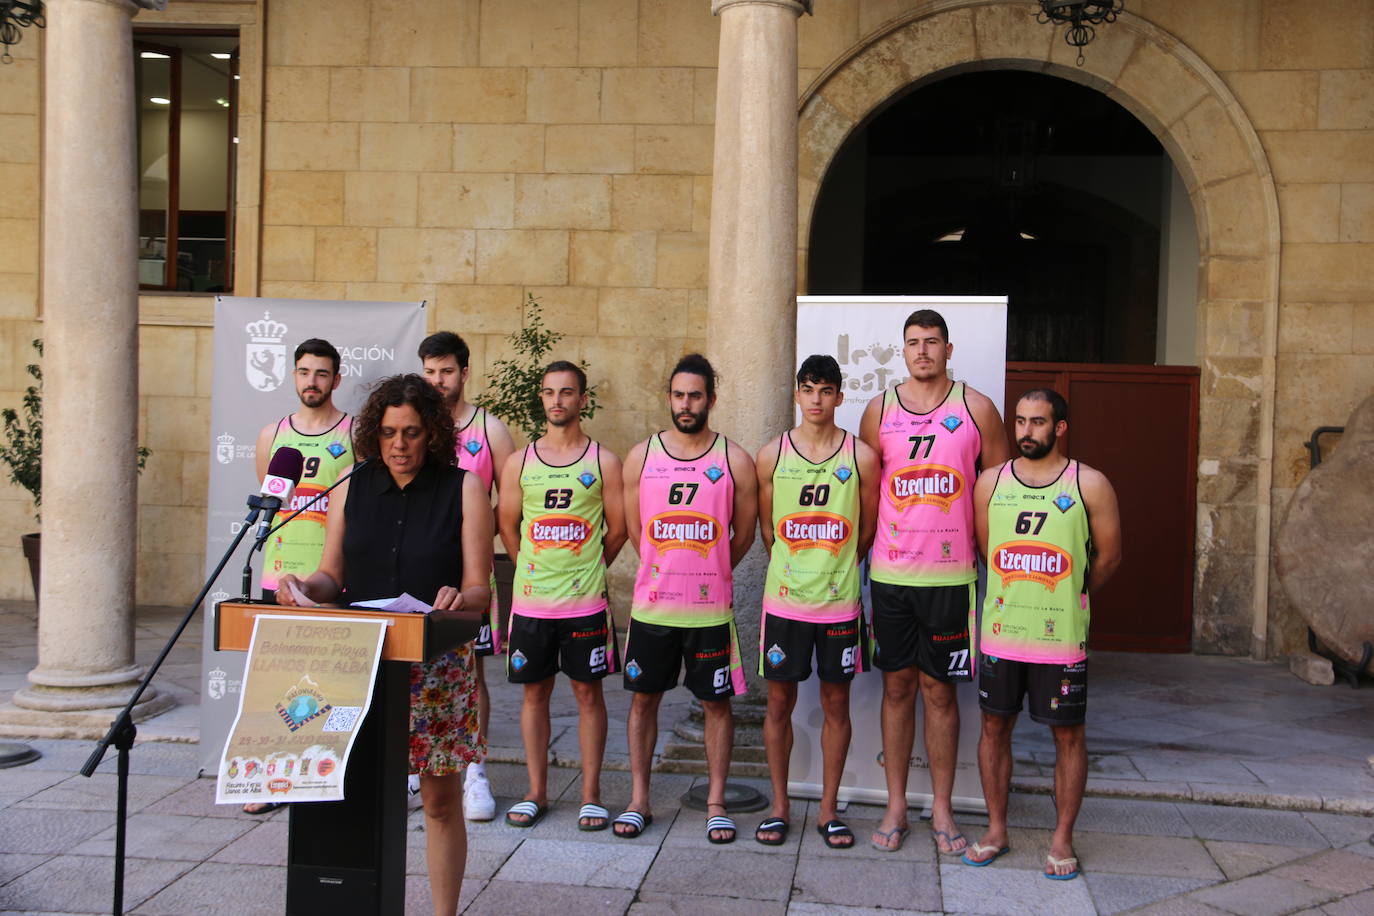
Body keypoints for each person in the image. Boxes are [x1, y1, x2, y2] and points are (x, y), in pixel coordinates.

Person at [276, 374, 493, 916]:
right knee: (358, 794)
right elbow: (332, 575)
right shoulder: (351, 483)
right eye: (390, 432)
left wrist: (455, 596)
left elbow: (479, 590)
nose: (400, 444)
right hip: (359, 659)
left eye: (413, 433)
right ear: (374, 433)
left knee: (441, 800)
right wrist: (305, 587)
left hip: (436, 661)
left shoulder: (462, 487)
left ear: (432, 434)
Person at [858, 309, 1010, 855]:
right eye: (913, 343)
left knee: (938, 691)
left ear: (949, 348)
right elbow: (869, 492)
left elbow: (997, 491)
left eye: (932, 342)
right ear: (903, 351)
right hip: (891, 572)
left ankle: (941, 809)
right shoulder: (879, 411)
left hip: (951, 577)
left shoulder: (977, 409)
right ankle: (896, 804)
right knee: (897, 687)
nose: (922, 351)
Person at [964, 388, 1121, 879]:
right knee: (994, 729)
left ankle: (1061, 839)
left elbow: (1109, 558)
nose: (1026, 431)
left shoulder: (1090, 483)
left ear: (1060, 427)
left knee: (1068, 736)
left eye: (1038, 422)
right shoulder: (990, 483)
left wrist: (1070, 596)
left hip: (1060, 637)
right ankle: (995, 829)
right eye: (1020, 421)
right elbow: (989, 553)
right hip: (1003, 633)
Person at [616, 354, 758, 844]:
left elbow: (743, 535)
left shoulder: (734, 460)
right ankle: (639, 799)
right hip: (654, 607)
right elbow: (637, 532)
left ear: (711, 400)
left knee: (717, 704)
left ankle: (716, 802)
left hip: (709, 611)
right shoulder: (641, 457)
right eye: (678, 395)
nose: (686, 404)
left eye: (695, 395)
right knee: (643, 701)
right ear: (669, 398)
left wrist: (710, 569)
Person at [753, 355, 879, 849]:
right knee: (779, 701)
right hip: (785, 603)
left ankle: (829, 810)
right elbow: (769, 530)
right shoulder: (772, 455)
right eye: (808, 389)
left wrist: (835, 567)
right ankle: (779, 806)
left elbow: (865, 532)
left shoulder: (861, 457)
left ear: (839, 397)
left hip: (839, 604)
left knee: (835, 703)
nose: (817, 399)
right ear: (798, 395)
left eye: (826, 390)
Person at [496, 360, 626, 831]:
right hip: (532, 603)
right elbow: (508, 526)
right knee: (535, 695)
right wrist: (530, 564)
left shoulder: (603, 462)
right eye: (550, 393)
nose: (557, 401)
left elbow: (620, 528)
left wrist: (589, 565)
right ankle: (536, 791)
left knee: (588, 695)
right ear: (541, 399)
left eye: (567, 393)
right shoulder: (520, 463)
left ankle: (591, 795)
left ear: (582, 400)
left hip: (584, 603)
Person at [245, 337, 353, 815]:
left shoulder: (354, 434)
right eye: (305, 372)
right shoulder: (272, 434)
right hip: (278, 575)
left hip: (329, 578)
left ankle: (324, 771)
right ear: (294, 375)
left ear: (336, 379)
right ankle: (275, 775)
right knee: (280, 680)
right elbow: (269, 503)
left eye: (322, 374)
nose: (313, 382)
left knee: (325, 681)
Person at [419, 331, 515, 820]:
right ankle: (417, 767)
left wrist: (474, 539)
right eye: (431, 373)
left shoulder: (490, 431)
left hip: (469, 572)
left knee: (471, 672)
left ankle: (474, 770)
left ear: (464, 372)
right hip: (417, 570)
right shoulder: (414, 428)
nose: (439, 382)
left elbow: (510, 502)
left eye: (447, 372)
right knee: (411, 666)